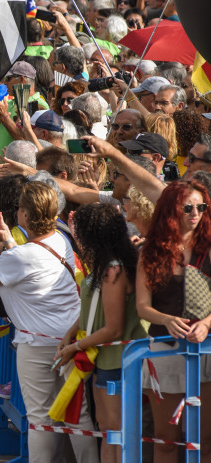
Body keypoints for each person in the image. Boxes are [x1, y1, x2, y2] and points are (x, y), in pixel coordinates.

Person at [0, 181, 99, 462]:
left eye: (20, 208)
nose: (17, 212)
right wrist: (8, 240)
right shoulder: (59, 240)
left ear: (26, 216)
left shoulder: (21, 255)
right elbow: (28, 260)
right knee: (78, 416)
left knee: (40, 418)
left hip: (38, 343)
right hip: (73, 338)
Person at [54, 203, 145, 463]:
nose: (77, 238)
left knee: (115, 434)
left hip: (117, 361)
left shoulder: (113, 270)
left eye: (80, 232)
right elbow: (93, 308)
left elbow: (113, 327)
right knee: (107, 430)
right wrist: (71, 333)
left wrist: (75, 347)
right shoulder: (105, 265)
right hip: (104, 359)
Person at [135, 180, 211, 463]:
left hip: (206, 350)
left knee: (205, 440)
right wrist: (166, 319)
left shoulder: (209, 246)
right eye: (188, 207)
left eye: (201, 207)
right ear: (171, 209)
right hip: (165, 350)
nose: (196, 213)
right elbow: (142, 307)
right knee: (166, 440)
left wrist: (206, 323)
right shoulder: (150, 251)